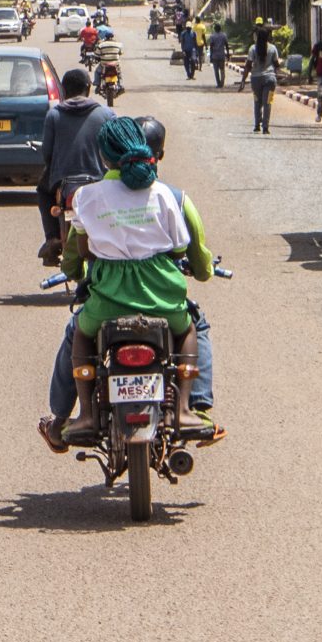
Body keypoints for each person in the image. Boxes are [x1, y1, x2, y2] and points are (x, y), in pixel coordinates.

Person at [38, 115, 217, 449]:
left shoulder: (88, 198)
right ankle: (186, 410)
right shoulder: (165, 195)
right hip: (163, 300)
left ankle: (85, 414)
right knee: (192, 328)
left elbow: (76, 255)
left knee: (79, 334)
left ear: (104, 157)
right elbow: (181, 247)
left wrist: (80, 267)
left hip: (106, 304)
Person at [35, 67, 116, 265]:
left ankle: (53, 238)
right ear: (88, 88)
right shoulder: (106, 114)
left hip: (63, 183)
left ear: (64, 90)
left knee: (42, 191)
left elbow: (47, 154)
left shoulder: (54, 115)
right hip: (99, 180)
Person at [247, 24, 280, 133]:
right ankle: (266, 127)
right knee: (268, 102)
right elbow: (276, 64)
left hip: (256, 80)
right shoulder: (273, 48)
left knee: (257, 102)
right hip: (270, 80)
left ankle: (257, 125)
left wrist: (243, 80)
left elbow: (248, 64)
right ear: (267, 37)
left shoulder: (253, 48)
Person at [206, 23, 230, 88]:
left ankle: (218, 83)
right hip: (221, 55)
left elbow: (211, 46)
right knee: (222, 70)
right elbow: (227, 45)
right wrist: (228, 54)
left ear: (215, 29)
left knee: (216, 71)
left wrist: (210, 56)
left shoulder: (212, 36)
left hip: (215, 56)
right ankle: (222, 83)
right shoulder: (224, 35)